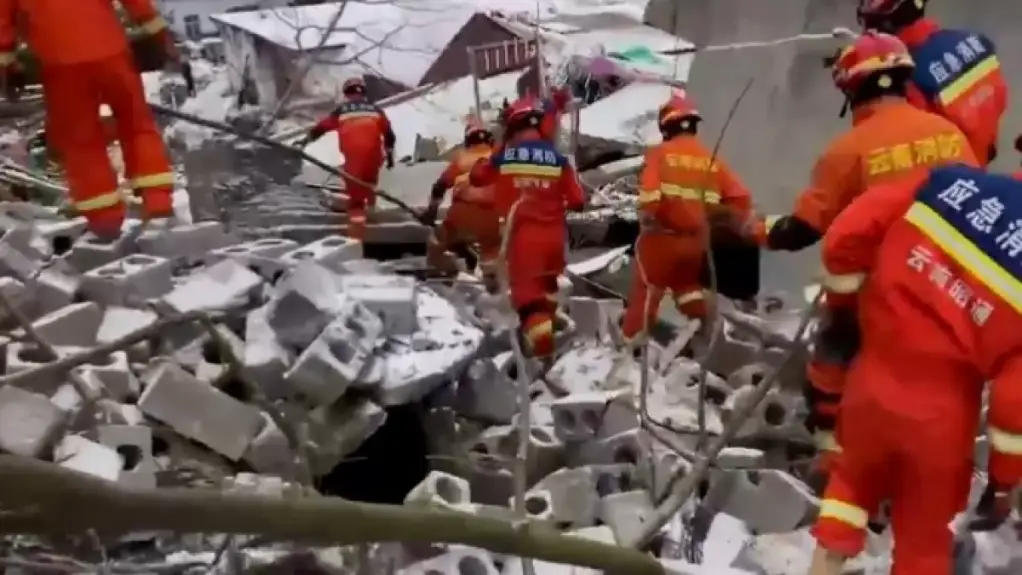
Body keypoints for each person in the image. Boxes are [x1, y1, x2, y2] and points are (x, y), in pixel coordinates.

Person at [714, 31, 980, 474]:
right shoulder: (950, 135)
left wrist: (750, 227)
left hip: (882, 291)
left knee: (834, 350)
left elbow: (799, 231)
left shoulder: (848, 151)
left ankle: (831, 455)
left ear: (850, 88)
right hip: (950, 286)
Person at [808, 163, 1022, 575]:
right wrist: (1002, 481)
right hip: (940, 424)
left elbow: (848, 232)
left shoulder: (950, 183)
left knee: (848, 491)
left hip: (870, 385)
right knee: (924, 544)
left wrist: (843, 311)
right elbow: (1014, 405)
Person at [0, 0, 178, 238]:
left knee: (80, 140)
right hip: (111, 51)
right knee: (137, 122)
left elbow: (3, 20)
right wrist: (156, 31)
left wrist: (8, 66)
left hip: (59, 62)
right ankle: (158, 202)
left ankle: (104, 219)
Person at [620, 90, 753, 345]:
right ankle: (706, 334)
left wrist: (647, 217)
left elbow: (650, 195)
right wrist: (720, 219)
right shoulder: (712, 160)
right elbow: (741, 198)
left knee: (646, 292)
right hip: (696, 243)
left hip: (662, 239)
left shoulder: (659, 154)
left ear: (666, 126)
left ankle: (628, 347)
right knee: (686, 287)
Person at [470, 97, 585, 362]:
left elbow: (478, 178)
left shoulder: (505, 155)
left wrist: (499, 149)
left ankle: (545, 360)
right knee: (547, 293)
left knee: (528, 302)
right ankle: (544, 341)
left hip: (523, 240)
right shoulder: (558, 159)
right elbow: (578, 201)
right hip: (555, 240)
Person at [857, 0, 1008, 165]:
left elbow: (910, 142)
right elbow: (999, 95)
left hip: (951, 172)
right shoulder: (976, 41)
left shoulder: (908, 78)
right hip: (981, 153)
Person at [297, 76, 396, 242]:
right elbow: (389, 135)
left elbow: (321, 128)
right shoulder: (376, 109)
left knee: (356, 197)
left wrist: (304, 142)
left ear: (346, 94)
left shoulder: (342, 110)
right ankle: (371, 215)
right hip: (374, 156)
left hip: (354, 158)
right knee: (369, 185)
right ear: (363, 92)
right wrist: (391, 155)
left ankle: (357, 239)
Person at [419, 118, 500, 292]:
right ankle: (490, 286)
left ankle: (441, 278)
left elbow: (440, 186)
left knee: (438, 244)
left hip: (461, 216)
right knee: (492, 252)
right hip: (490, 217)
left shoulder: (461, 160)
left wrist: (431, 212)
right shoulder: (498, 159)